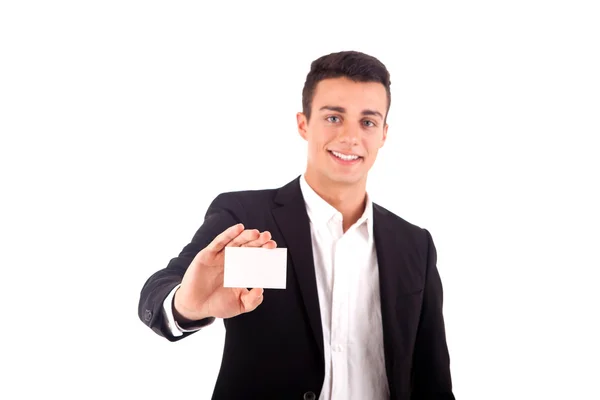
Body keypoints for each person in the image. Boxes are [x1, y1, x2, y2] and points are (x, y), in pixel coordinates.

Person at [138, 50, 455, 400]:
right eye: (334, 118)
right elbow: (158, 290)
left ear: (383, 134)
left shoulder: (414, 245)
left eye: (367, 122)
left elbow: (432, 379)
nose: (351, 137)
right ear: (303, 124)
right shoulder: (246, 217)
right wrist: (186, 304)